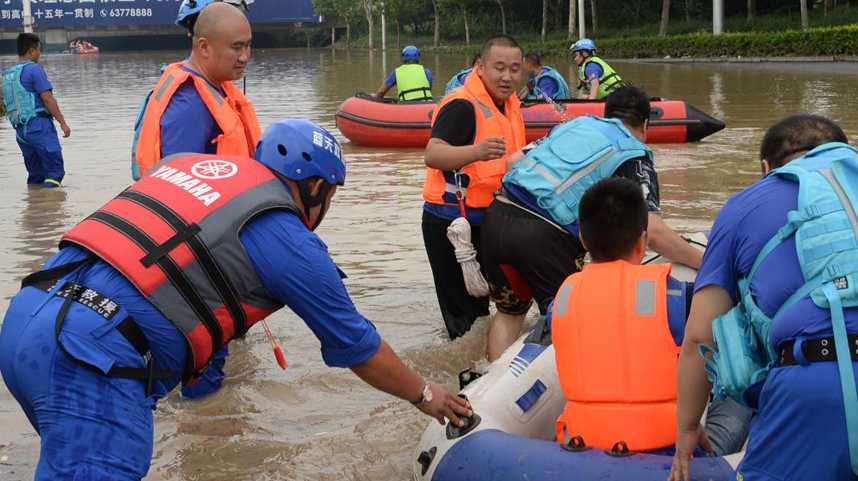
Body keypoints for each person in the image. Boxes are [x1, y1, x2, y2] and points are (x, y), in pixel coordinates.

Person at [0, 119, 472, 481]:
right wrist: (427, 396)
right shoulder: (289, 241)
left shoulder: (185, 167)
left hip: (28, 318)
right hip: (90, 357)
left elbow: (181, 285)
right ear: (316, 188)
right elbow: (359, 348)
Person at [668, 114, 858, 481]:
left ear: (766, 168)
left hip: (815, 385)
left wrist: (687, 427)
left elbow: (699, 338)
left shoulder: (746, 205)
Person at [480, 86, 703, 360]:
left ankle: (489, 385)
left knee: (509, 313)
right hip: (542, 238)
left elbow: (512, 163)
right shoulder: (633, 154)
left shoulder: (575, 125)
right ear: (645, 125)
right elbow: (652, 230)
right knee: (566, 320)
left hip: (496, 217)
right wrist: (702, 262)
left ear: (605, 114)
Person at [551, 177, 749, 456]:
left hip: (581, 445)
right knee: (745, 387)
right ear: (644, 240)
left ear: (583, 238)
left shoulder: (561, 299)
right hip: (665, 451)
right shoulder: (678, 295)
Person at [423, 34, 527, 340]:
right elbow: (433, 154)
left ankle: (487, 359)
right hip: (452, 223)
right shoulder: (462, 106)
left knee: (496, 305)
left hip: (493, 219)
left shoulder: (510, 106)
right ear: (480, 67)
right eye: (499, 68)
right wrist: (477, 151)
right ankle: (466, 372)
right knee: (466, 317)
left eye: (515, 69)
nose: (507, 76)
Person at [133, 2, 258, 179]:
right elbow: (176, 187)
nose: (245, 57)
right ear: (204, 47)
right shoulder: (189, 105)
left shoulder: (215, 85)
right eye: (237, 47)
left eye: (248, 46)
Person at [2, 33, 71, 188]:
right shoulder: (34, 69)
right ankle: (52, 207)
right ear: (31, 51)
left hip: (20, 132)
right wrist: (63, 123)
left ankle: (35, 206)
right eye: (39, 50)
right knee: (54, 172)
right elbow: (47, 98)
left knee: (36, 175)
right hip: (38, 126)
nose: (40, 54)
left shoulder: (7, 74)